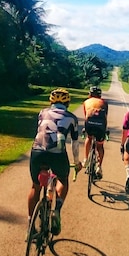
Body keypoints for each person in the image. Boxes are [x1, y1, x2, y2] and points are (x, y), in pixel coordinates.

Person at [27, 87, 82, 236]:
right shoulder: (71, 117)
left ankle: (30, 225)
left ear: (50, 102)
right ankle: (56, 209)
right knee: (63, 179)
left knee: (35, 186)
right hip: (57, 153)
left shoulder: (42, 113)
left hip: (37, 150)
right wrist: (77, 162)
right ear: (68, 103)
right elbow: (75, 143)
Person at [82, 86, 108, 179]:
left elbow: (86, 115)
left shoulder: (86, 102)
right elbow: (105, 117)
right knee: (100, 145)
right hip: (100, 125)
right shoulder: (103, 102)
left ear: (90, 94)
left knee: (89, 137)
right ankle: (99, 167)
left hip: (89, 123)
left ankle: (85, 159)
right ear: (99, 95)